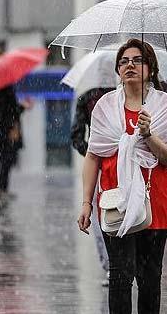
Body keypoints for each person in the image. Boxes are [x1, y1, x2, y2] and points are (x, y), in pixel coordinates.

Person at [77, 39, 167, 314]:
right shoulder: (104, 106)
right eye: (124, 61)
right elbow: (93, 156)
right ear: (118, 70)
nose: (129, 65)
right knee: (119, 277)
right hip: (115, 202)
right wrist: (85, 204)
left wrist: (148, 134)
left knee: (150, 279)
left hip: (156, 204)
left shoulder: (163, 106)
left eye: (137, 60)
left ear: (150, 69)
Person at [71, 86, 115, 285]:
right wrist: (95, 153)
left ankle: (115, 264)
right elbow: (77, 137)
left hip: (128, 165)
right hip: (102, 168)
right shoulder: (90, 99)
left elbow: (77, 136)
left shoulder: (137, 95)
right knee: (103, 214)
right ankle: (111, 264)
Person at [0, 86, 30, 196]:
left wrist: (21, 106)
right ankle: (1, 188)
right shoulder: (6, 91)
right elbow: (10, 112)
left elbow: (9, 111)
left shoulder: (2, 92)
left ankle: (1, 187)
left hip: (4, 133)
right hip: (7, 134)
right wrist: (12, 127)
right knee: (7, 161)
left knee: (6, 161)